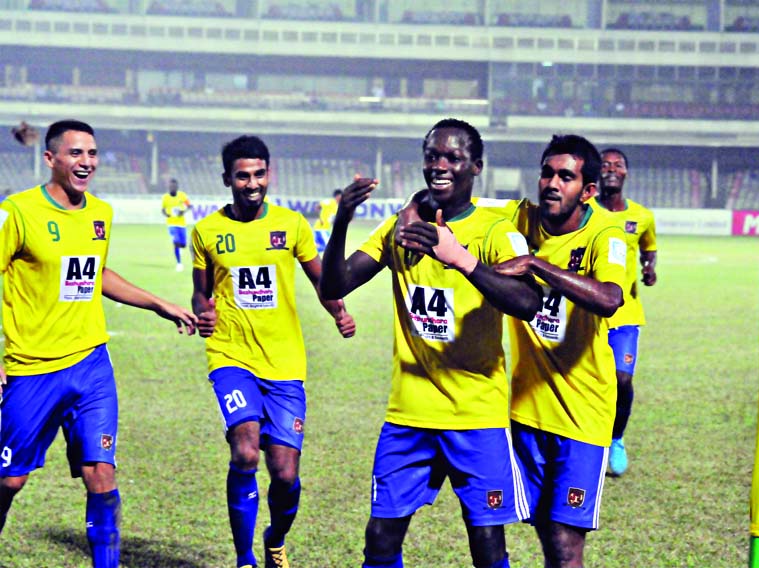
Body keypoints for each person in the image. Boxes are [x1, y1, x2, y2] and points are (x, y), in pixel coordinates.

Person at [319, 118, 541, 568]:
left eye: (453, 158)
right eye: (432, 156)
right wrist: (342, 218)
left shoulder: (495, 231)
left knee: (486, 543)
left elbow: (528, 301)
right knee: (380, 537)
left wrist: (461, 260)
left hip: (476, 414)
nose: (440, 165)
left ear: (475, 166)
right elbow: (335, 283)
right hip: (410, 413)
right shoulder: (400, 228)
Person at [0, 119, 198, 568]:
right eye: (75, 153)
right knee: (9, 482)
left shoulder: (100, 213)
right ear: (50, 159)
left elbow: (96, 275)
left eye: (91, 153)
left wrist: (157, 304)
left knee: (102, 475)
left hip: (91, 364)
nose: (85, 162)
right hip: (32, 369)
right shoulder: (17, 212)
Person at [190, 135, 356, 568]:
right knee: (245, 450)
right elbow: (199, 293)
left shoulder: (292, 225)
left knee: (285, 474)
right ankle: (245, 559)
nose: (251, 183)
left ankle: (274, 538)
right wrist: (203, 312)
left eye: (259, 174)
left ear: (269, 174)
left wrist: (338, 312)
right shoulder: (206, 232)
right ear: (227, 178)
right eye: (242, 176)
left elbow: (322, 280)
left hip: (284, 364)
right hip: (231, 358)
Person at [472, 134, 627, 568]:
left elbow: (610, 297)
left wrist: (537, 264)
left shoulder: (606, 234)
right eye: (546, 173)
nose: (552, 184)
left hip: (582, 414)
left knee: (565, 544)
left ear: (589, 190)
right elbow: (469, 211)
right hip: (525, 410)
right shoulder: (519, 219)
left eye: (566, 176)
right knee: (543, 528)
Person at [591, 147, 657, 477]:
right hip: (587, 311)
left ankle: (615, 440)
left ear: (626, 173)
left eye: (618, 165)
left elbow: (649, 245)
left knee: (622, 378)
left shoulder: (642, 216)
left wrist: (650, 267)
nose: (611, 169)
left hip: (626, 313)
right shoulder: (585, 210)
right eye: (605, 165)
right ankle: (589, 440)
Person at [161, 177, 191, 271]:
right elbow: (163, 209)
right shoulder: (165, 197)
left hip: (181, 224)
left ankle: (180, 248)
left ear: (177, 187)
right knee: (176, 242)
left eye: (174, 186)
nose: (172, 188)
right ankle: (179, 263)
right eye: (171, 186)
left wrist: (183, 211)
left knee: (183, 244)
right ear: (169, 187)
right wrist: (166, 214)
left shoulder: (182, 196)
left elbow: (189, 206)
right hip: (171, 224)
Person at [312, 188, 342, 254]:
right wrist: (320, 218)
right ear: (337, 196)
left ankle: (310, 254)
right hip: (321, 228)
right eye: (341, 196)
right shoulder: (330, 202)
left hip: (325, 229)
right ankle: (310, 252)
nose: (342, 198)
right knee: (329, 246)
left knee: (323, 246)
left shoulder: (337, 206)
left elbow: (332, 219)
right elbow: (317, 207)